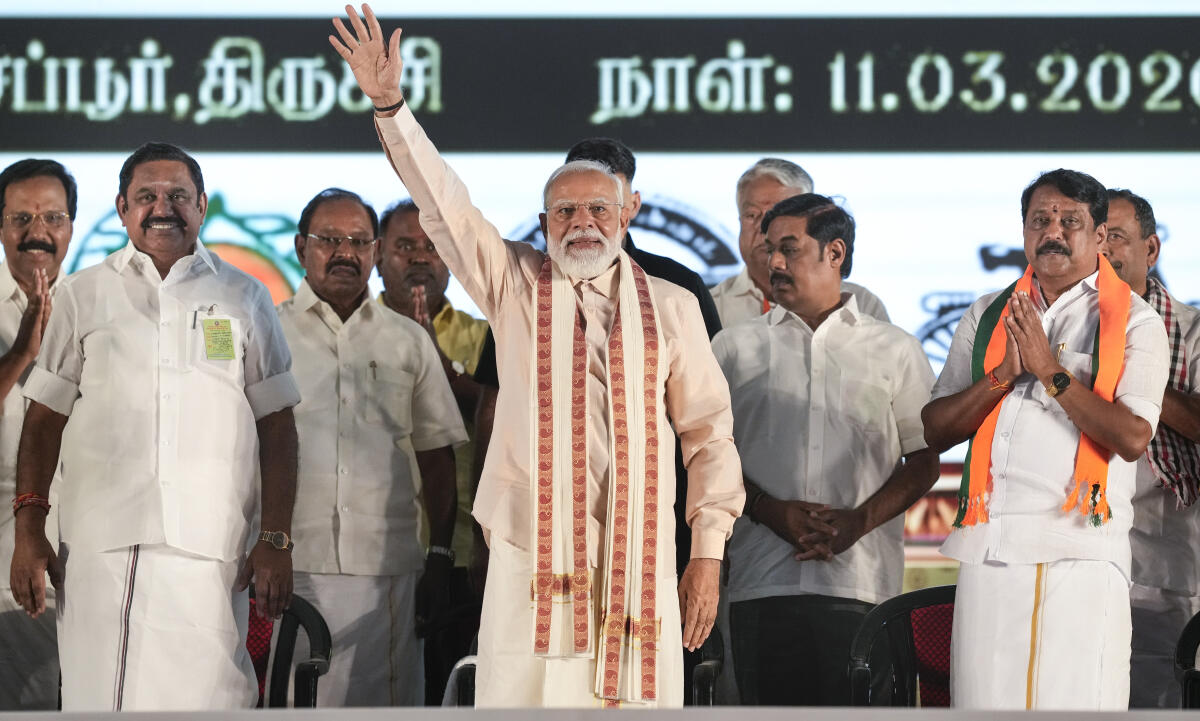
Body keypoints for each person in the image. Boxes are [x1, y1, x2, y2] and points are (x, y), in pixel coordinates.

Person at [332, 6, 744, 707]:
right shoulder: (516, 284)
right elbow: (447, 208)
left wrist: (706, 552)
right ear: (545, 219)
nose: (581, 223)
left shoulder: (672, 306)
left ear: (628, 213)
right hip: (530, 560)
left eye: (597, 210)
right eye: (564, 212)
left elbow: (709, 436)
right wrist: (390, 106)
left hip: (637, 559)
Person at [9, 142, 301, 711]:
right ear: (121, 208)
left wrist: (276, 539)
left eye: (177, 196)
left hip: (212, 549)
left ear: (202, 206)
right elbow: (42, 422)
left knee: (215, 698)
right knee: (101, 701)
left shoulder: (245, 296)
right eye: (146, 196)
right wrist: (29, 527)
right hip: (102, 549)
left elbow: (278, 425)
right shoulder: (82, 294)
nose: (162, 207)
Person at [922, 169, 1170, 709]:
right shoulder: (990, 313)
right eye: (1040, 220)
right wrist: (1001, 378)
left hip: (1078, 553)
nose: (1052, 231)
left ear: (1100, 236)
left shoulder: (1136, 322)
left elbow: (1131, 436)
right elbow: (936, 429)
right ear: (1024, 230)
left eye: (1070, 221)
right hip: (988, 553)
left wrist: (1051, 373)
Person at [713, 193, 938, 705]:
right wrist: (769, 511)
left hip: (863, 589)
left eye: (788, 248)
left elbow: (924, 459)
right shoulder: (732, 348)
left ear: (834, 253)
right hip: (759, 584)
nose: (772, 262)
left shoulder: (895, 348)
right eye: (769, 249)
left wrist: (857, 522)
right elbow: (707, 454)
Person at [278, 188, 466, 706]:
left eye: (359, 241)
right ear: (300, 247)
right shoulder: (267, 330)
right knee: (292, 703)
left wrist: (441, 557)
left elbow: (436, 455)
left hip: (389, 570)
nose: (345, 252)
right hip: (291, 565)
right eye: (329, 239)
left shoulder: (408, 339)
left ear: (376, 251)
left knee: (383, 709)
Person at [375, 198, 488, 703]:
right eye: (404, 246)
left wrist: (442, 370)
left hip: (464, 553)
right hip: (372, 551)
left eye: (433, 247)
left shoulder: (485, 335)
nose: (420, 257)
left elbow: (504, 415)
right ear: (377, 256)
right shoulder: (355, 333)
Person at [1099, 189, 1200, 708]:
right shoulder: (1067, 329)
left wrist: (1135, 369)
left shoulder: (1193, 330)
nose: (1104, 250)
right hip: (1080, 553)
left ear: (1151, 250)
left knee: (1160, 700)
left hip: (1165, 562)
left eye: (1116, 236)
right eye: (1095, 236)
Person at [0, 159, 74, 710]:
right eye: (21, 217)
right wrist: (21, 352)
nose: (37, 232)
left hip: (82, 567)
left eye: (52, 216)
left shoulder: (91, 305)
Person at [708, 158, 888, 327]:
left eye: (777, 215)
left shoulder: (862, 304)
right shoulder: (709, 307)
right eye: (751, 215)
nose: (764, 228)